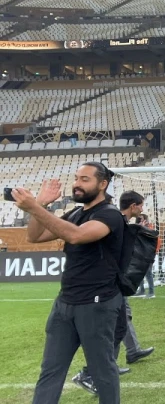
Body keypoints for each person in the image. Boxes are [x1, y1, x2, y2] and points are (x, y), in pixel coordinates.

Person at [12, 162, 123, 404]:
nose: (76, 184)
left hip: (96, 304)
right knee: (50, 370)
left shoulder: (110, 214)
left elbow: (76, 235)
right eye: (76, 178)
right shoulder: (75, 213)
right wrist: (41, 205)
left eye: (85, 179)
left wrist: (34, 207)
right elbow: (34, 236)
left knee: (102, 371)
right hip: (65, 304)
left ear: (102, 184)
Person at [73, 191, 155, 395]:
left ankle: (107, 366)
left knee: (119, 326)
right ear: (133, 206)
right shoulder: (113, 222)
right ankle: (90, 373)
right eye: (140, 205)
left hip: (114, 285)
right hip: (106, 286)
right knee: (112, 330)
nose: (142, 209)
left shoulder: (120, 223)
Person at [134, 214, 155, 298]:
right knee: (139, 273)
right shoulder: (137, 228)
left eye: (142, 219)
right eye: (139, 219)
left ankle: (151, 292)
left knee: (148, 273)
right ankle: (141, 290)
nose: (140, 220)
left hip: (148, 254)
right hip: (139, 253)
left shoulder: (150, 228)